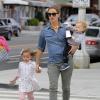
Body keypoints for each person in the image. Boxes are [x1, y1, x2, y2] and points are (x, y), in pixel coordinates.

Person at [35, 7, 78, 100]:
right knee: (53, 88)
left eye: (53, 14)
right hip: (52, 63)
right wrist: (37, 64)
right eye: (49, 14)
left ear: (58, 15)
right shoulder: (44, 31)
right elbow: (40, 49)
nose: (51, 16)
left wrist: (75, 46)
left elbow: (72, 42)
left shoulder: (66, 29)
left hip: (66, 62)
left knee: (66, 88)